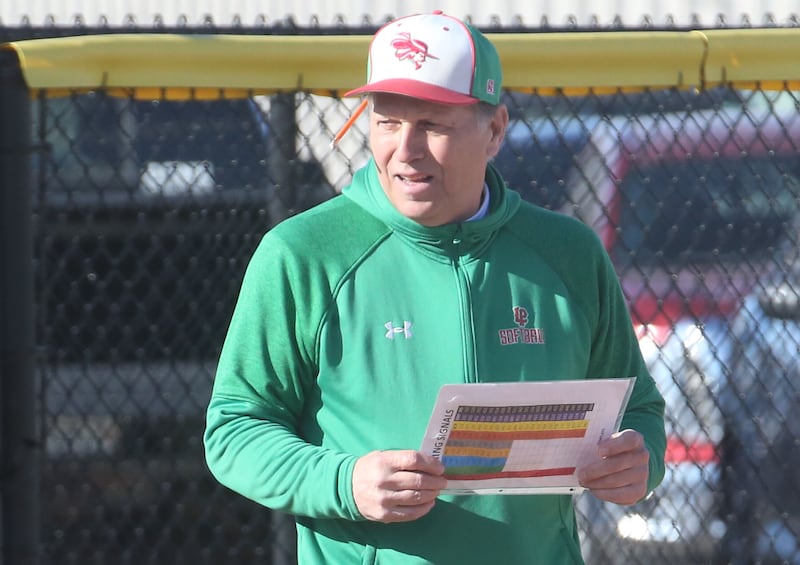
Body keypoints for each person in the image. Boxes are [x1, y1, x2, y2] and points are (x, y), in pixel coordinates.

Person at [204, 10, 666, 564]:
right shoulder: (304, 253)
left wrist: (639, 463)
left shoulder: (568, 252)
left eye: (433, 125)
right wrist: (346, 482)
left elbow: (637, 409)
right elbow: (234, 430)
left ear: (494, 131)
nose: (406, 149)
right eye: (388, 122)